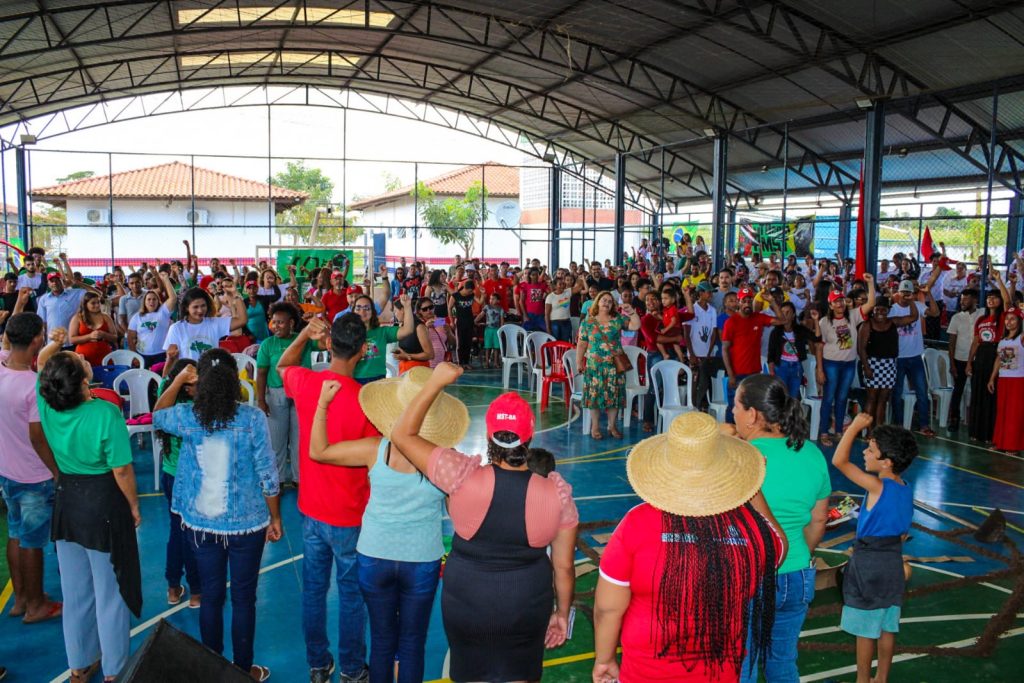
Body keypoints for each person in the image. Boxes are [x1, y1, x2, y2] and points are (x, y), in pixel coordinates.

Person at [390, 364, 578, 683]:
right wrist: (561, 614)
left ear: (489, 435)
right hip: (527, 602)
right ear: (530, 437)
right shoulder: (557, 494)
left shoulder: (459, 475)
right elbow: (563, 568)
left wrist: (434, 384)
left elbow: (401, 435)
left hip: (467, 601)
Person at [592, 411, 786, 683]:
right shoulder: (752, 531)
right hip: (721, 674)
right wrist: (751, 487)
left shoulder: (637, 523)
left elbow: (607, 609)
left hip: (646, 673)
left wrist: (604, 659)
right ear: (727, 469)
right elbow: (779, 545)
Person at [309, 368, 469, 683]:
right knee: (412, 643)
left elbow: (319, 451)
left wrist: (323, 405)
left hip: (374, 556)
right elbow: (461, 517)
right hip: (421, 561)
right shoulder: (444, 459)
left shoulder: (375, 449)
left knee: (382, 641)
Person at [153, 349, 281, 682]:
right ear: (234, 382)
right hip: (247, 524)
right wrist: (276, 517)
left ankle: (212, 667)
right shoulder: (252, 419)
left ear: (203, 385)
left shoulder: (187, 416)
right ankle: (242, 669)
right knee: (243, 598)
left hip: (201, 522)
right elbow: (268, 473)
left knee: (210, 595)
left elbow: (157, 413)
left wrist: (179, 377)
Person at [37, 330, 142, 683]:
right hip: (103, 503)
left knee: (76, 591)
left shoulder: (48, 402)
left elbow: (41, 365)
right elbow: (122, 470)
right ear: (83, 380)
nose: (83, 357)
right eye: (79, 360)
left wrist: (54, 342)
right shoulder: (104, 412)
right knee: (109, 591)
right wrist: (134, 506)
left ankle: (80, 664)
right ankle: (114, 669)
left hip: (68, 501)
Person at [278, 315, 378, 683]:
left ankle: (318, 664)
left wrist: (304, 332)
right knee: (352, 595)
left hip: (311, 509)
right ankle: (353, 670)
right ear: (363, 349)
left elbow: (283, 364)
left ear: (328, 343)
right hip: (351, 513)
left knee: (314, 591)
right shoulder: (367, 402)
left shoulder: (308, 383)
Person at [732, 375, 830, 682]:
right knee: (783, 663)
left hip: (748, 574)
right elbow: (819, 520)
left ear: (752, 414)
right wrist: (800, 556)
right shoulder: (812, 452)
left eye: (736, 405)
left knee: (743, 665)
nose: (732, 412)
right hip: (798, 572)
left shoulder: (741, 459)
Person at [831, 415, 918, 683]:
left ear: (887, 462)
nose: (864, 453)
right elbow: (902, 532)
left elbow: (839, 462)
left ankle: (862, 680)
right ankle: (881, 678)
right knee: (887, 624)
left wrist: (855, 427)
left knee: (865, 628)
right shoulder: (905, 488)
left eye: (870, 449)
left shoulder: (878, 485)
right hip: (892, 561)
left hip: (869, 564)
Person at [0, 312, 62, 624]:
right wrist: (56, 471)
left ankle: (20, 598)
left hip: (7, 470)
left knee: (15, 532)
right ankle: (37, 604)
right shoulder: (32, 386)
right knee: (32, 541)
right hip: (33, 474)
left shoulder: (1, 365)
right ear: (37, 340)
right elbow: (37, 438)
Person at [154, 359, 202, 609]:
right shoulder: (184, 404)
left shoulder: (170, 391)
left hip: (174, 475)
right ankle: (195, 591)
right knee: (191, 534)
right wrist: (180, 380)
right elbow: (158, 415)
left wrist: (176, 379)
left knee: (178, 532)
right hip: (186, 477)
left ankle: (174, 587)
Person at [256, 302, 319, 487]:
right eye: (274, 322)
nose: (276, 326)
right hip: (275, 395)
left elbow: (325, 343)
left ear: (292, 323)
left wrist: (316, 322)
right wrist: (261, 399)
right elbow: (261, 373)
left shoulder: (304, 340)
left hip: (301, 393)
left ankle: (300, 480)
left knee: (300, 440)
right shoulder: (267, 344)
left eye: (281, 322)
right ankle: (279, 480)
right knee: (277, 441)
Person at [812, 274, 876, 445]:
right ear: (831, 305)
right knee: (828, 398)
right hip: (831, 363)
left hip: (848, 364)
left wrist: (870, 283)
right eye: (835, 302)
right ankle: (824, 432)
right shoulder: (825, 322)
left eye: (841, 300)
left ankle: (839, 430)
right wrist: (819, 369)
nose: (839, 304)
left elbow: (870, 304)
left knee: (842, 398)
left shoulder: (853, 316)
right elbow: (819, 346)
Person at [576, 291, 642, 440]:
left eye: (609, 301)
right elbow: (582, 344)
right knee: (594, 397)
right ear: (597, 302)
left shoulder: (617, 319)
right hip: (594, 366)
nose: (606, 303)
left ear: (613, 305)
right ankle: (595, 426)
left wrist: (632, 312)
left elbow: (635, 326)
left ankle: (612, 426)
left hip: (614, 366)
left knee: (615, 397)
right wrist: (579, 362)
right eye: (603, 300)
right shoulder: (588, 322)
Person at [888, 272, 942, 437]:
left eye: (908, 292)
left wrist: (928, 293)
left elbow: (935, 313)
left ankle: (924, 425)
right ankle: (897, 424)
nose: (905, 296)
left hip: (916, 356)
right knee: (897, 393)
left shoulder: (918, 306)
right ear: (898, 293)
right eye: (903, 292)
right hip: (898, 358)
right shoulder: (892, 310)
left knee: (921, 391)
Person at [858, 296, 918, 430]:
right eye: (877, 309)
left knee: (883, 399)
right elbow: (861, 348)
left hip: (890, 365)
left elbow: (914, 316)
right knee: (871, 399)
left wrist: (910, 300)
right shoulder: (867, 325)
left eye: (884, 310)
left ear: (888, 310)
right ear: (873, 310)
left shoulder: (893, 322)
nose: (880, 312)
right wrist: (866, 367)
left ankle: (878, 431)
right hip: (872, 364)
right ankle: (869, 432)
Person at [967, 272, 1012, 442]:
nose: (991, 300)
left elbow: (1008, 302)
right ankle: (976, 431)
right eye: (988, 298)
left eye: (995, 298)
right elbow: (976, 342)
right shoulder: (981, 320)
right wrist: (970, 362)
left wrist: (999, 280)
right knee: (978, 392)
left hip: (996, 353)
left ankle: (990, 433)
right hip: (982, 355)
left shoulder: (1002, 318)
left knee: (991, 393)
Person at [723, 287, 779, 423]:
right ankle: (731, 438)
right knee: (733, 408)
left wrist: (772, 301)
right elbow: (725, 349)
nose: (747, 304)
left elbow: (782, 320)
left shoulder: (759, 318)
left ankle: (746, 439)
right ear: (738, 302)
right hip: (736, 374)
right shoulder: (731, 322)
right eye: (744, 301)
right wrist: (730, 375)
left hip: (754, 373)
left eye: (749, 300)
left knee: (752, 408)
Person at [164, 287, 247, 362]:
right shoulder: (176, 328)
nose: (200, 310)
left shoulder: (214, 323)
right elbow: (171, 359)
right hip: (189, 376)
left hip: (211, 374)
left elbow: (242, 320)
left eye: (203, 306)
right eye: (195, 307)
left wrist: (236, 294)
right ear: (186, 308)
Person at [988, 308, 1024, 455]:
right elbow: (999, 359)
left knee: (1014, 414)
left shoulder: (1021, 338)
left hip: (1019, 380)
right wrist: (992, 377)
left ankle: (1013, 446)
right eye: (1007, 319)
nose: (1009, 322)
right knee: (1002, 411)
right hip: (1003, 379)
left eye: (1013, 319)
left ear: (1020, 321)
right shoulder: (1002, 340)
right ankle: (1000, 442)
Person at [945, 289, 981, 431]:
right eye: (961, 300)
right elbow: (951, 343)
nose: (962, 302)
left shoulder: (982, 314)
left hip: (978, 360)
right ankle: (954, 420)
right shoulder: (956, 318)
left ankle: (976, 422)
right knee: (958, 391)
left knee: (977, 392)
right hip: (960, 359)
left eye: (966, 299)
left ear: (975, 300)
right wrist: (952, 364)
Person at [766, 301, 815, 400]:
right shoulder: (775, 332)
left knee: (793, 397)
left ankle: (791, 415)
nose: (785, 314)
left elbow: (816, 338)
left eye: (788, 312)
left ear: (793, 315)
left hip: (796, 367)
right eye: (782, 312)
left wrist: (816, 321)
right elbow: (771, 354)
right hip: (781, 366)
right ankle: (782, 416)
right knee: (781, 397)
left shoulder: (800, 330)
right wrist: (771, 372)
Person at [127, 271, 177, 368]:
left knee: (159, 380)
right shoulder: (137, 317)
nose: (151, 301)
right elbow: (130, 337)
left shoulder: (163, 312)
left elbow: (173, 298)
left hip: (161, 354)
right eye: (149, 299)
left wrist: (166, 279)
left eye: (154, 299)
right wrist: (135, 355)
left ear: (158, 301)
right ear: (144, 302)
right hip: (142, 355)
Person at [686, 281, 721, 412]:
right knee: (695, 381)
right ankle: (692, 407)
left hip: (707, 353)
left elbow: (713, 332)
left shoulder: (712, 310)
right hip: (695, 352)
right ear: (700, 293)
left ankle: (702, 407)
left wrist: (710, 351)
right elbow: (686, 334)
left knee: (705, 382)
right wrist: (692, 354)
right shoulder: (692, 309)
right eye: (708, 292)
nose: (711, 294)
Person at [67, 291, 118, 366]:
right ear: (85, 304)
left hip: (104, 356)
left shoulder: (106, 317)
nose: (97, 305)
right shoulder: (77, 318)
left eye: (98, 302)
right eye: (93, 303)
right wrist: (89, 336)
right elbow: (72, 339)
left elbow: (115, 337)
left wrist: (104, 335)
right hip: (84, 358)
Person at [394, 297, 436, 374]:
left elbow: (430, 354)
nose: (395, 314)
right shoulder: (403, 326)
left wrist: (407, 356)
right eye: (425, 309)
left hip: (418, 370)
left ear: (403, 310)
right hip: (405, 369)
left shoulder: (419, 327)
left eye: (396, 311)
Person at [449, 279, 481, 369]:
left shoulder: (471, 295)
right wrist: (451, 321)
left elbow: (480, 302)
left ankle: (466, 362)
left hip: (469, 321)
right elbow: (449, 308)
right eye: (470, 291)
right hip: (459, 321)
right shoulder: (455, 296)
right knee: (460, 343)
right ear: (465, 288)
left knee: (468, 342)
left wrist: (483, 294)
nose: (470, 292)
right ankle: (460, 363)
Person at [476, 293, 504, 369]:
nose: (491, 300)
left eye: (493, 299)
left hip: (497, 330)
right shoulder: (487, 307)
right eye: (490, 298)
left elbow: (502, 320)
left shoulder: (500, 309)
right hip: (488, 329)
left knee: (496, 347)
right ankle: (487, 363)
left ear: (498, 300)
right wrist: (475, 321)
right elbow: (481, 315)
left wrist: (501, 330)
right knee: (487, 347)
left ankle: (496, 362)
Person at [545, 277, 573, 342]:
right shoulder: (550, 297)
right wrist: (548, 328)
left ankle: (564, 353)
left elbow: (580, 287)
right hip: (555, 323)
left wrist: (582, 279)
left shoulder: (567, 292)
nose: (562, 286)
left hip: (567, 322)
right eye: (560, 284)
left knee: (565, 343)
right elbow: (547, 314)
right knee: (555, 342)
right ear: (555, 286)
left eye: (563, 284)